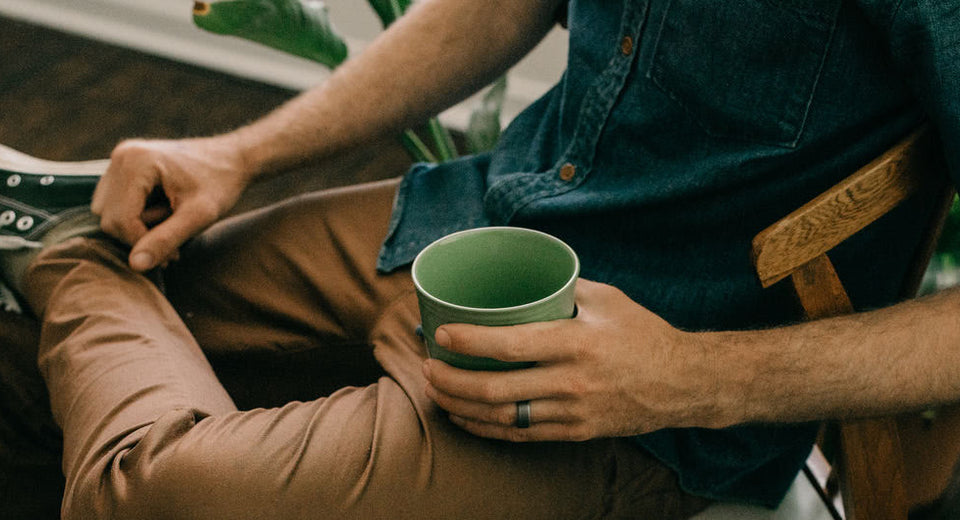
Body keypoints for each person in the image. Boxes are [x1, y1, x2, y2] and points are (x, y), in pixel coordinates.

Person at [3, 0, 960, 517]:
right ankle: (72, 258)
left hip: (646, 394)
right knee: (21, 364)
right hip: (477, 224)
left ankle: (63, 248)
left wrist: (687, 377)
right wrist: (241, 156)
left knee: (158, 498)